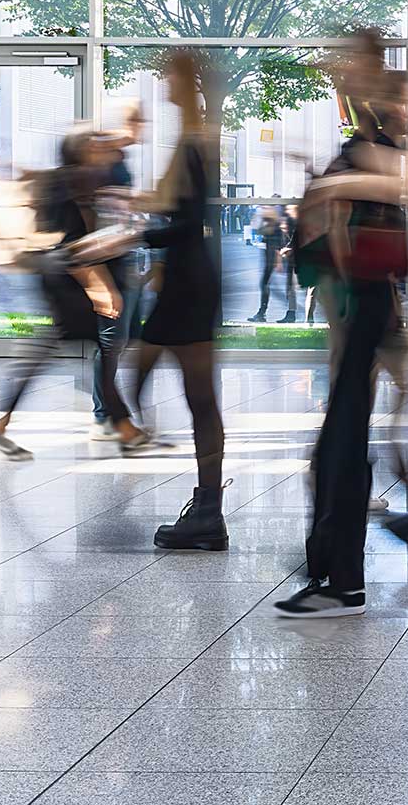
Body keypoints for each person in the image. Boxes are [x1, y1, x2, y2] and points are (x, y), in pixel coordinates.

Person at [276, 30, 408, 617]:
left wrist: (334, 185)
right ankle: (335, 571)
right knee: (338, 444)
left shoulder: (379, 129)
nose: (336, 73)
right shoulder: (366, 130)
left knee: (342, 444)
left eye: (344, 62)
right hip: (357, 305)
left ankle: (341, 580)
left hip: (366, 304)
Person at [0, 127, 148, 460]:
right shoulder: (66, 183)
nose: (99, 150)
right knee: (93, 350)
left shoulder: (83, 179)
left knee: (81, 350)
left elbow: (89, 238)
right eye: (92, 145)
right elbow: (71, 244)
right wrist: (100, 287)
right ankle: (123, 428)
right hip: (65, 282)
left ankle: (1, 425)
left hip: (72, 278)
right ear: (77, 151)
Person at [127, 51, 229, 550]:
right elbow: (178, 213)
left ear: (186, 81)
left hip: (191, 285)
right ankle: (206, 505)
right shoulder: (192, 141)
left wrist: (143, 236)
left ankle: (209, 510)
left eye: (169, 73)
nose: (163, 81)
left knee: (198, 398)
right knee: (153, 376)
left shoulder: (197, 142)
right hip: (186, 281)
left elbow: (187, 223)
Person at [91, 101, 145, 438]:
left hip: (120, 252)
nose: (144, 128)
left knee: (119, 339)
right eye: (140, 120)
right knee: (112, 340)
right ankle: (103, 414)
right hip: (105, 257)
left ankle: (107, 411)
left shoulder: (122, 156)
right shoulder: (106, 151)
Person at [247, 205, 290, 321]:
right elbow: (260, 231)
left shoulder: (274, 222)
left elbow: (277, 243)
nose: (263, 208)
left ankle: (263, 313)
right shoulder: (270, 221)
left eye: (266, 206)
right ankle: (263, 312)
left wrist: (279, 261)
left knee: (268, 284)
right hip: (270, 257)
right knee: (267, 284)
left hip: (272, 257)